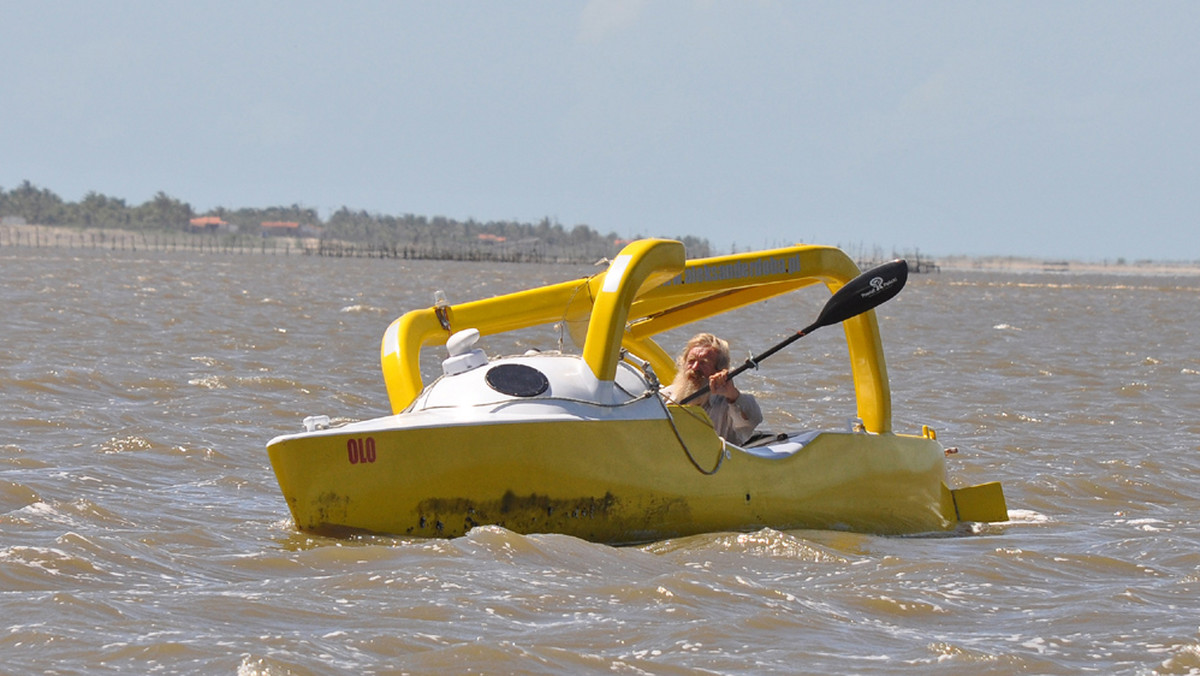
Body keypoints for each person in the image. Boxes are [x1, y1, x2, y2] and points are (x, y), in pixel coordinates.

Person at [661, 333, 763, 445]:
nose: (695, 368)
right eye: (691, 361)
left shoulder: (729, 404)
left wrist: (733, 395)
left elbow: (752, 420)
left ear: (719, 370)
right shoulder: (665, 396)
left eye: (703, 363)